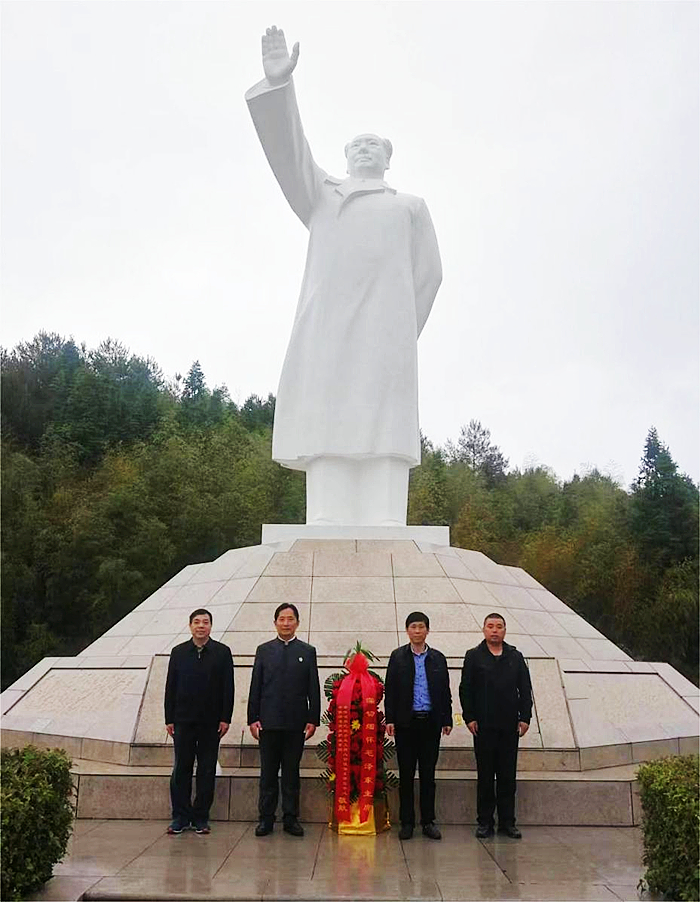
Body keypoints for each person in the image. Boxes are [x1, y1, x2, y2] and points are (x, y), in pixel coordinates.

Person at [246, 25, 442, 526]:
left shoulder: (409, 207)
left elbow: (430, 274)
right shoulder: (321, 195)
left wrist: (399, 328)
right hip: (330, 331)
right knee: (329, 427)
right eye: (356, 145)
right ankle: (329, 515)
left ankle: (384, 515)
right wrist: (279, 89)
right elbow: (289, 155)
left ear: (388, 157)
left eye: (373, 145)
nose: (363, 150)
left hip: (387, 336)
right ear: (344, 157)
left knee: (384, 434)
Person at [248, 603, 321, 837]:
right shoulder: (264, 650)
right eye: (282, 619)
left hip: (295, 723)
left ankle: (291, 818)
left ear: (297, 623)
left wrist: (313, 719)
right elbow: (256, 686)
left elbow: (313, 688)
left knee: (291, 773)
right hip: (268, 723)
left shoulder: (307, 651)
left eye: (290, 619)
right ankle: (266, 818)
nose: (286, 623)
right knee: (268, 773)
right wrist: (253, 718)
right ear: (275, 622)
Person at [459, 612, 532, 839]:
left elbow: (525, 689)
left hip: (509, 726)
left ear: (504, 631)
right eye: (490, 626)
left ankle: (508, 822)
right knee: (485, 776)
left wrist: (525, 717)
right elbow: (466, 689)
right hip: (483, 727)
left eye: (499, 626)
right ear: (483, 630)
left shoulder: (515, 656)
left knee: (507, 776)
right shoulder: (474, 656)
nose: (494, 630)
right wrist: (469, 717)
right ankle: (484, 822)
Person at [164, 608, 234, 835]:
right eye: (197, 622)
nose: (201, 626)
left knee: (206, 770)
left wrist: (226, 718)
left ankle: (201, 817)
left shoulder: (222, 653)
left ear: (211, 626)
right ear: (190, 626)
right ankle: (180, 817)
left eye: (205, 622)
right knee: (181, 769)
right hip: (183, 720)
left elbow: (228, 688)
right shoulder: (178, 652)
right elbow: (170, 687)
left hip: (210, 723)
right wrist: (169, 718)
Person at [384, 611, 453, 841]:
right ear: (407, 630)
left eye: (421, 627)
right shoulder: (398, 657)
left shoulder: (438, 658)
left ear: (427, 630)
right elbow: (390, 690)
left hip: (430, 723)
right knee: (405, 774)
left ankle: (428, 821)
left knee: (428, 774)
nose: (417, 631)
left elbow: (445, 691)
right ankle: (407, 822)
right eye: (413, 627)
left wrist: (447, 718)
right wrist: (390, 719)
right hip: (406, 724)